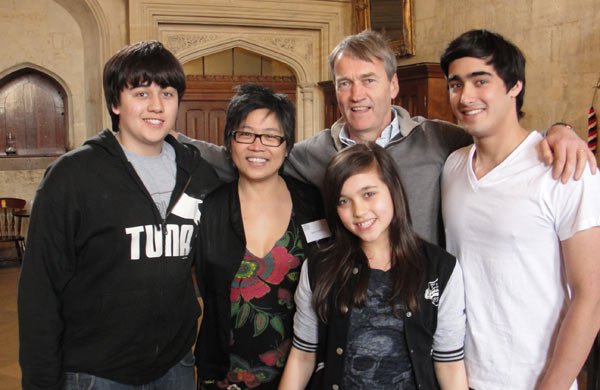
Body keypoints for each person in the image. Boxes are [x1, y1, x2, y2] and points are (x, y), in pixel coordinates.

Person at [180, 30, 595, 247]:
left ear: (394, 86)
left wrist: (559, 131)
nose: (356, 94)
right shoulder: (313, 153)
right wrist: (163, 135)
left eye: (369, 80)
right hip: (351, 309)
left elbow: (502, 139)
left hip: (427, 309)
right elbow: (245, 157)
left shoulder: (440, 140)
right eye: (345, 83)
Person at [18, 41, 220, 390]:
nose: (156, 106)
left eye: (167, 94)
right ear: (116, 102)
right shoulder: (73, 176)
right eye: (141, 93)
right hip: (96, 378)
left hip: (174, 371)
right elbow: (40, 289)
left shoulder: (197, 172)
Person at [436, 29, 600, 390]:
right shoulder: (453, 166)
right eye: (456, 84)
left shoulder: (565, 169)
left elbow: (591, 295)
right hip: (461, 381)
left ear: (514, 86)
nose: (465, 96)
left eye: (481, 80)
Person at [269, 143, 476, 390]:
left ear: (393, 189)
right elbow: (303, 354)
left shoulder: (439, 268)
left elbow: (449, 362)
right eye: (344, 201)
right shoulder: (319, 267)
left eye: (369, 194)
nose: (359, 211)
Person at [194, 84, 328, 390]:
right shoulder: (209, 208)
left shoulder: (312, 202)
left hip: (302, 375)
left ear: (287, 146)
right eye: (246, 134)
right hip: (233, 381)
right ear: (230, 141)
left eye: (271, 136)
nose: (258, 146)